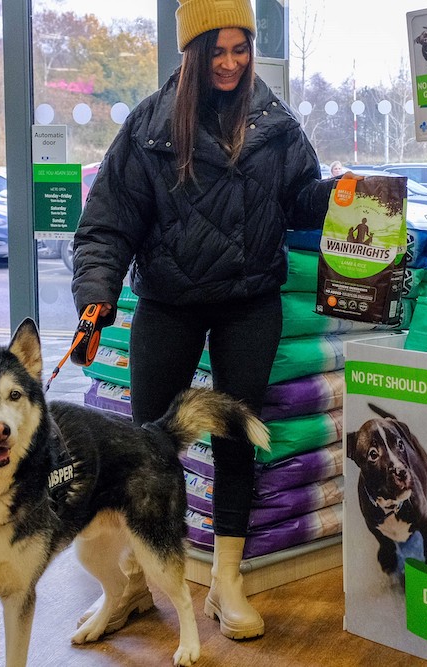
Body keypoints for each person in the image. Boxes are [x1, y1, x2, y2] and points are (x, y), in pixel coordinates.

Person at [71, 0, 336, 641]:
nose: (228, 63)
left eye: (239, 48)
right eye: (215, 51)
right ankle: (133, 582)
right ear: (191, 54)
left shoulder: (274, 122)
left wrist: (341, 196)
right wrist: (96, 297)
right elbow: (107, 222)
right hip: (167, 303)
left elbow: (302, 195)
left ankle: (227, 579)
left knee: (236, 435)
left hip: (249, 303)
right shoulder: (152, 126)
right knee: (143, 447)